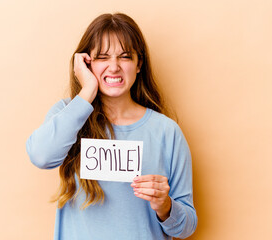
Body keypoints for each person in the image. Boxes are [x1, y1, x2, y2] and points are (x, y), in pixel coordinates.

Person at [26, 13, 197, 240]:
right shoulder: (69, 114)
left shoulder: (167, 132)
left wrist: (165, 206)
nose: (114, 67)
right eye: (102, 57)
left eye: (125, 57)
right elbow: (40, 155)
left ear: (139, 64)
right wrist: (86, 91)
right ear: (87, 63)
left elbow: (187, 228)